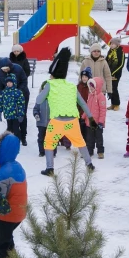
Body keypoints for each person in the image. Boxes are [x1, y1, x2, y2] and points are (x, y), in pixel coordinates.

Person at [36, 47, 97, 176]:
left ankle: (50, 168)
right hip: (72, 121)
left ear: (53, 73)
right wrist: (91, 118)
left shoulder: (49, 84)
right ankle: (89, 164)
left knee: (49, 142)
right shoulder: (71, 86)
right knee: (80, 142)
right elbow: (82, 103)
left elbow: (39, 100)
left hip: (57, 121)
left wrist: (44, 91)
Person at [0, 133, 28, 258]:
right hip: (19, 211)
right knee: (8, 238)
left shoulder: (4, 172)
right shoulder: (17, 166)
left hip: (9, 213)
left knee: (0, 242)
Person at [0, 58, 30, 146]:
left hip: (21, 94)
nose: (5, 70)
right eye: (3, 69)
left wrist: (17, 91)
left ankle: (23, 137)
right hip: (8, 97)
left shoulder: (18, 68)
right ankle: (11, 138)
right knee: (10, 120)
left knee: (22, 115)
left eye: (7, 68)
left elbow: (24, 81)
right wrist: (3, 95)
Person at [83, 77, 107, 159]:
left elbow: (103, 110)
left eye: (92, 87)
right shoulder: (90, 96)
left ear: (97, 87)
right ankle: (90, 150)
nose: (91, 88)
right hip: (90, 121)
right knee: (90, 137)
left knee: (98, 138)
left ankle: (100, 151)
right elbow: (87, 107)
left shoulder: (101, 97)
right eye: (90, 87)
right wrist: (83, 117)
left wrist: (101, 122)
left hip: (97, 122)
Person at [33, 81, 57, 157]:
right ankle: (42, 151)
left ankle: (53, 151)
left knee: (52, 138)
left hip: (51, 123)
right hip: (41, 122)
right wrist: (36, 115)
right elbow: (35, 109)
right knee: (41, 137)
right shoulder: (39, 99)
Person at [0, 74, 25, 140]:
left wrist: (21, 114)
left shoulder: (18, 92)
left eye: (10, 82)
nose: (9, 84)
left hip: (16, 114)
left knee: (16, 129)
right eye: (7, 82)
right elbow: (1, 102)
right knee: (9, 128)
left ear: (14, 83)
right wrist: (0, 111)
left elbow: (21, 104)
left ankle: (17, 141)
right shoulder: (4, 92)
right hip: (7, 114)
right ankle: (10, 142)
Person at [106, 37, 125, 111]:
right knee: (110, 88)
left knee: (114, 87)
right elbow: (106, 61)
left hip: (116, 74)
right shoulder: (110, 51)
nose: (112, 45)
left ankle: (117, 104)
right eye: (111, 44)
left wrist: (113, 73)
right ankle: (112, 104)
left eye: (113, 44)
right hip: (109, 73)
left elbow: (121, 64)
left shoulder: (120, 52)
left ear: (117, 45)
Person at [78, 67, 92, 141]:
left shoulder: (90, 87)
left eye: (86, 77)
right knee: (80, 126)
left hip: (87, 110)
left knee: (87, 127)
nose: (84, 78)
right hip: (79, 110)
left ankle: (87, 141)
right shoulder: (78, 86)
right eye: (83, 77)